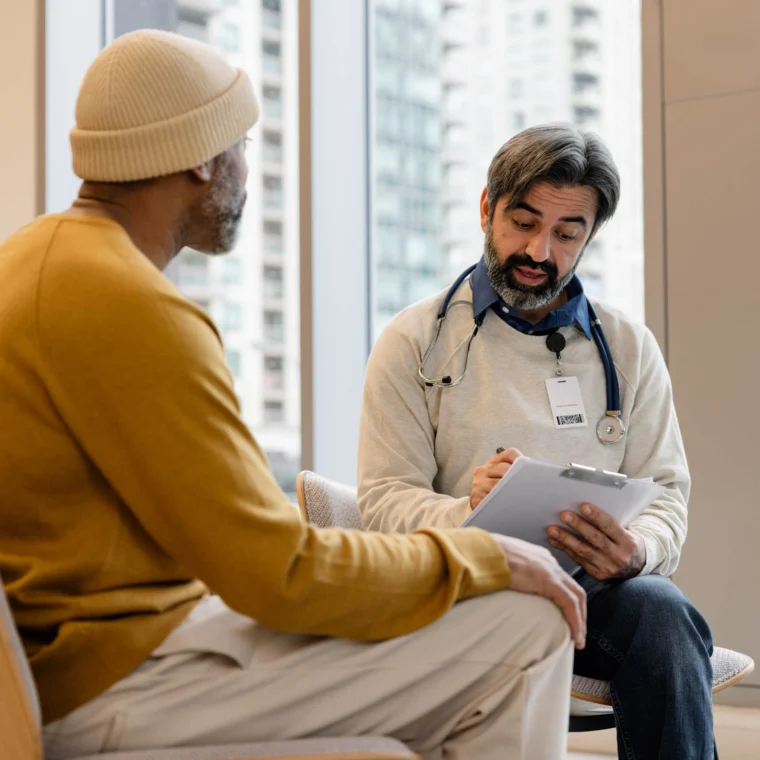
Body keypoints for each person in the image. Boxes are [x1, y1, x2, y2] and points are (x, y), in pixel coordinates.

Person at [0, 31, 588, 760]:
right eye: (242, 142)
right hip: (117, 679)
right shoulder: (132, 306)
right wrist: (484, 558)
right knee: (524, 624)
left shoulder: (27, 262)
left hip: (99, 649)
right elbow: (278, 575)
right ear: (201, 157)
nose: (249, 168)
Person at [358, 124, 716, 759]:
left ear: (589, 236)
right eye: (522, 222)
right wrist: (466, 511)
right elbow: (384, 499)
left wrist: (637, 550)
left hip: (594, 593)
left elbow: (667, 494)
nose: (539, 250)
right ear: (485, 208)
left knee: (663, 612)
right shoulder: (413, 340)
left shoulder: (628, 348)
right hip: (467, 584)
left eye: (566, 234)